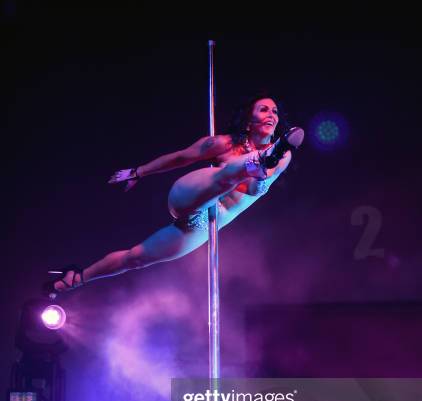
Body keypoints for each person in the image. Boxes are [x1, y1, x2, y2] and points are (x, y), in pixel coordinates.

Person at [44, 95, 304, 296]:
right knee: (224, 177)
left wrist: (269, 159)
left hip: (205, 224)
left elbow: (258, 183)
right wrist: (138, 172)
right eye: (264, 109)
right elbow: (180, 157)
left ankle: (78, 278)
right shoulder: (223, 144)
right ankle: (254, 162)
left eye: (275, 111)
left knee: (136, 258)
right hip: (190, 199)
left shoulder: (285, 154)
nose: (272, 114)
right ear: (249, 120)